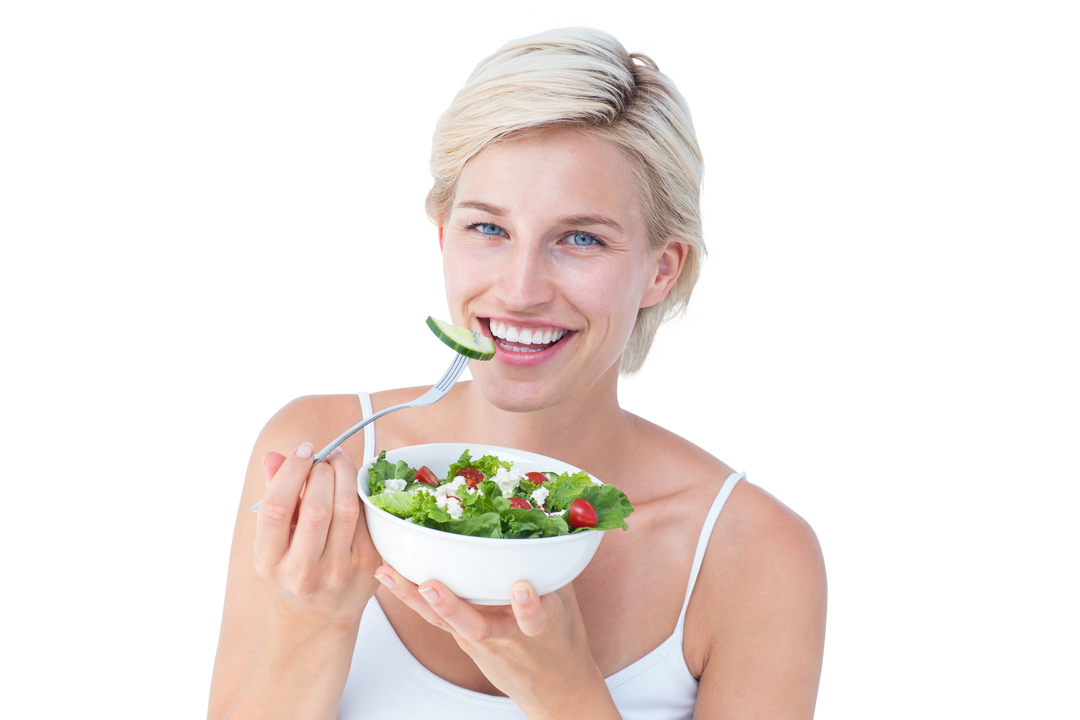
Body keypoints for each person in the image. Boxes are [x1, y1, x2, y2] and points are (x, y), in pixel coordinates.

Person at [206, 14, 828, 720]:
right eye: (489, 229)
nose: (521, 289)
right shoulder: (325, 449)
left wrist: (564, 692)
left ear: (661, 269)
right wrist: (309, 623)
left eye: (581, 238)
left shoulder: (756, 554)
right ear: (442, 235)